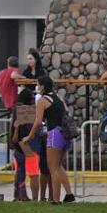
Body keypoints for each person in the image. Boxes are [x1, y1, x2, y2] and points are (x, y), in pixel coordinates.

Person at [35, 76, 74, 204]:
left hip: (54, 134)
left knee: (53, 169)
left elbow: (38, 122)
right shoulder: (59, 98)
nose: (37, 87)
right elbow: (66, 111)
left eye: (38, 84)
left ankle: (56, 199)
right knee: (58, 166)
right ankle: (69, 194)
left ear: (42, 86)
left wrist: (29, 136)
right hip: (65, 133)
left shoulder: (42, 100)